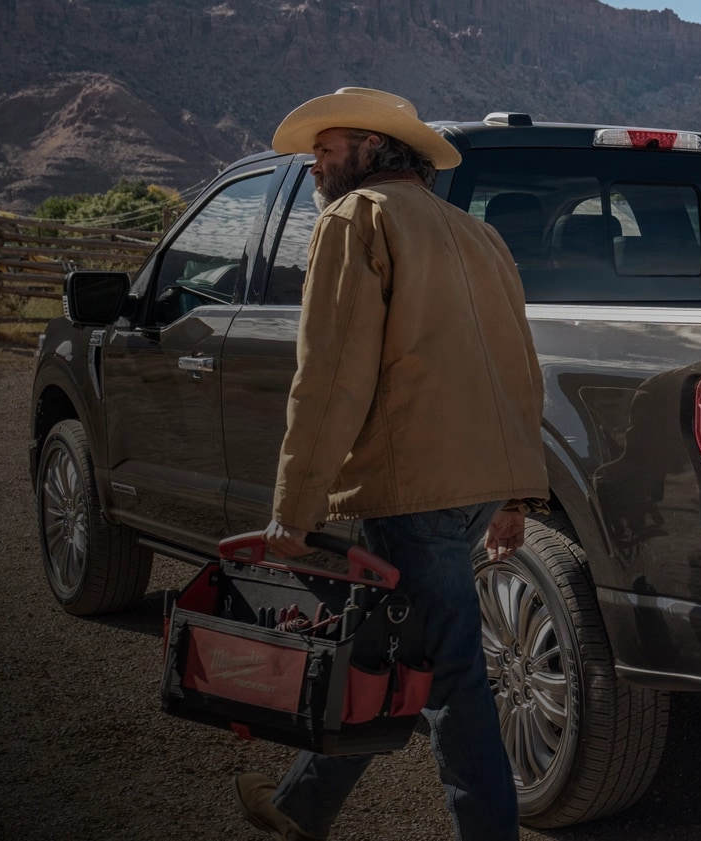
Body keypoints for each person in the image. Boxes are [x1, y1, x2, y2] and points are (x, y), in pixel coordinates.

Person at [232, 87, 549, 841]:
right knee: (388, 646)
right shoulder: (478, 235)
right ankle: (301, 805)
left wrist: (294, 508)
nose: (315, 160)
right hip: (470, 488)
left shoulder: (356, 217)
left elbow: (331, 376)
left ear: (374, 150)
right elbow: (519, 367)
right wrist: (512, 496)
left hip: (415, 489)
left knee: (452, 676)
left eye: (329, 145)